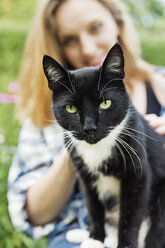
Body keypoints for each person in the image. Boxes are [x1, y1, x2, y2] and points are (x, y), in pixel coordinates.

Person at [7, 0, 165, 247]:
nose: (88, 48)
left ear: (118, 22)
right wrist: (74, 146)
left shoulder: (161, 84)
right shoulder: (43, 111)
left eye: (95, 28)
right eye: (69, 39)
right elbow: (32, 214)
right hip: (82, 233)